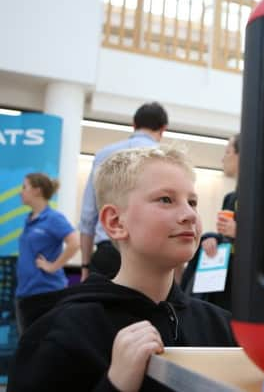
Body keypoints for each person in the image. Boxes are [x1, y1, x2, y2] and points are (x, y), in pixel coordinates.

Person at [9, 146, 235, 392]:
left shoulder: (222, 329)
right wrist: (115, 384)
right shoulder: (62, 334)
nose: (190, 214)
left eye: (192, 202)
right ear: (115, 223)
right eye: (166, 200)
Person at [180, 133, 264, 312]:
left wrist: (240, 232)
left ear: (243, 155)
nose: (223, 158)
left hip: (253, 295)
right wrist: (214, 241)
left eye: (227, 152)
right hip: (224, 292)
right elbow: (231, 244)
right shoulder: (230, 199)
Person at [79, 102, 168, 281]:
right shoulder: (165, 157)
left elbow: (88, 215)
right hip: (148, 254)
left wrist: (86, 265)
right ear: (163, 129)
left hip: (107, 252)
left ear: (133, 125)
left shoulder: (104, 154)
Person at [15, 173, 80, 333]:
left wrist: (53, 266)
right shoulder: (29, 219)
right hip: (25, 293)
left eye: (25, 187)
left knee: (40, 346)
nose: (20, 192)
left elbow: (74, 243)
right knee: (27, 345)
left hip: (45, 293)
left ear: (37, 190)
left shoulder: (53, 218)